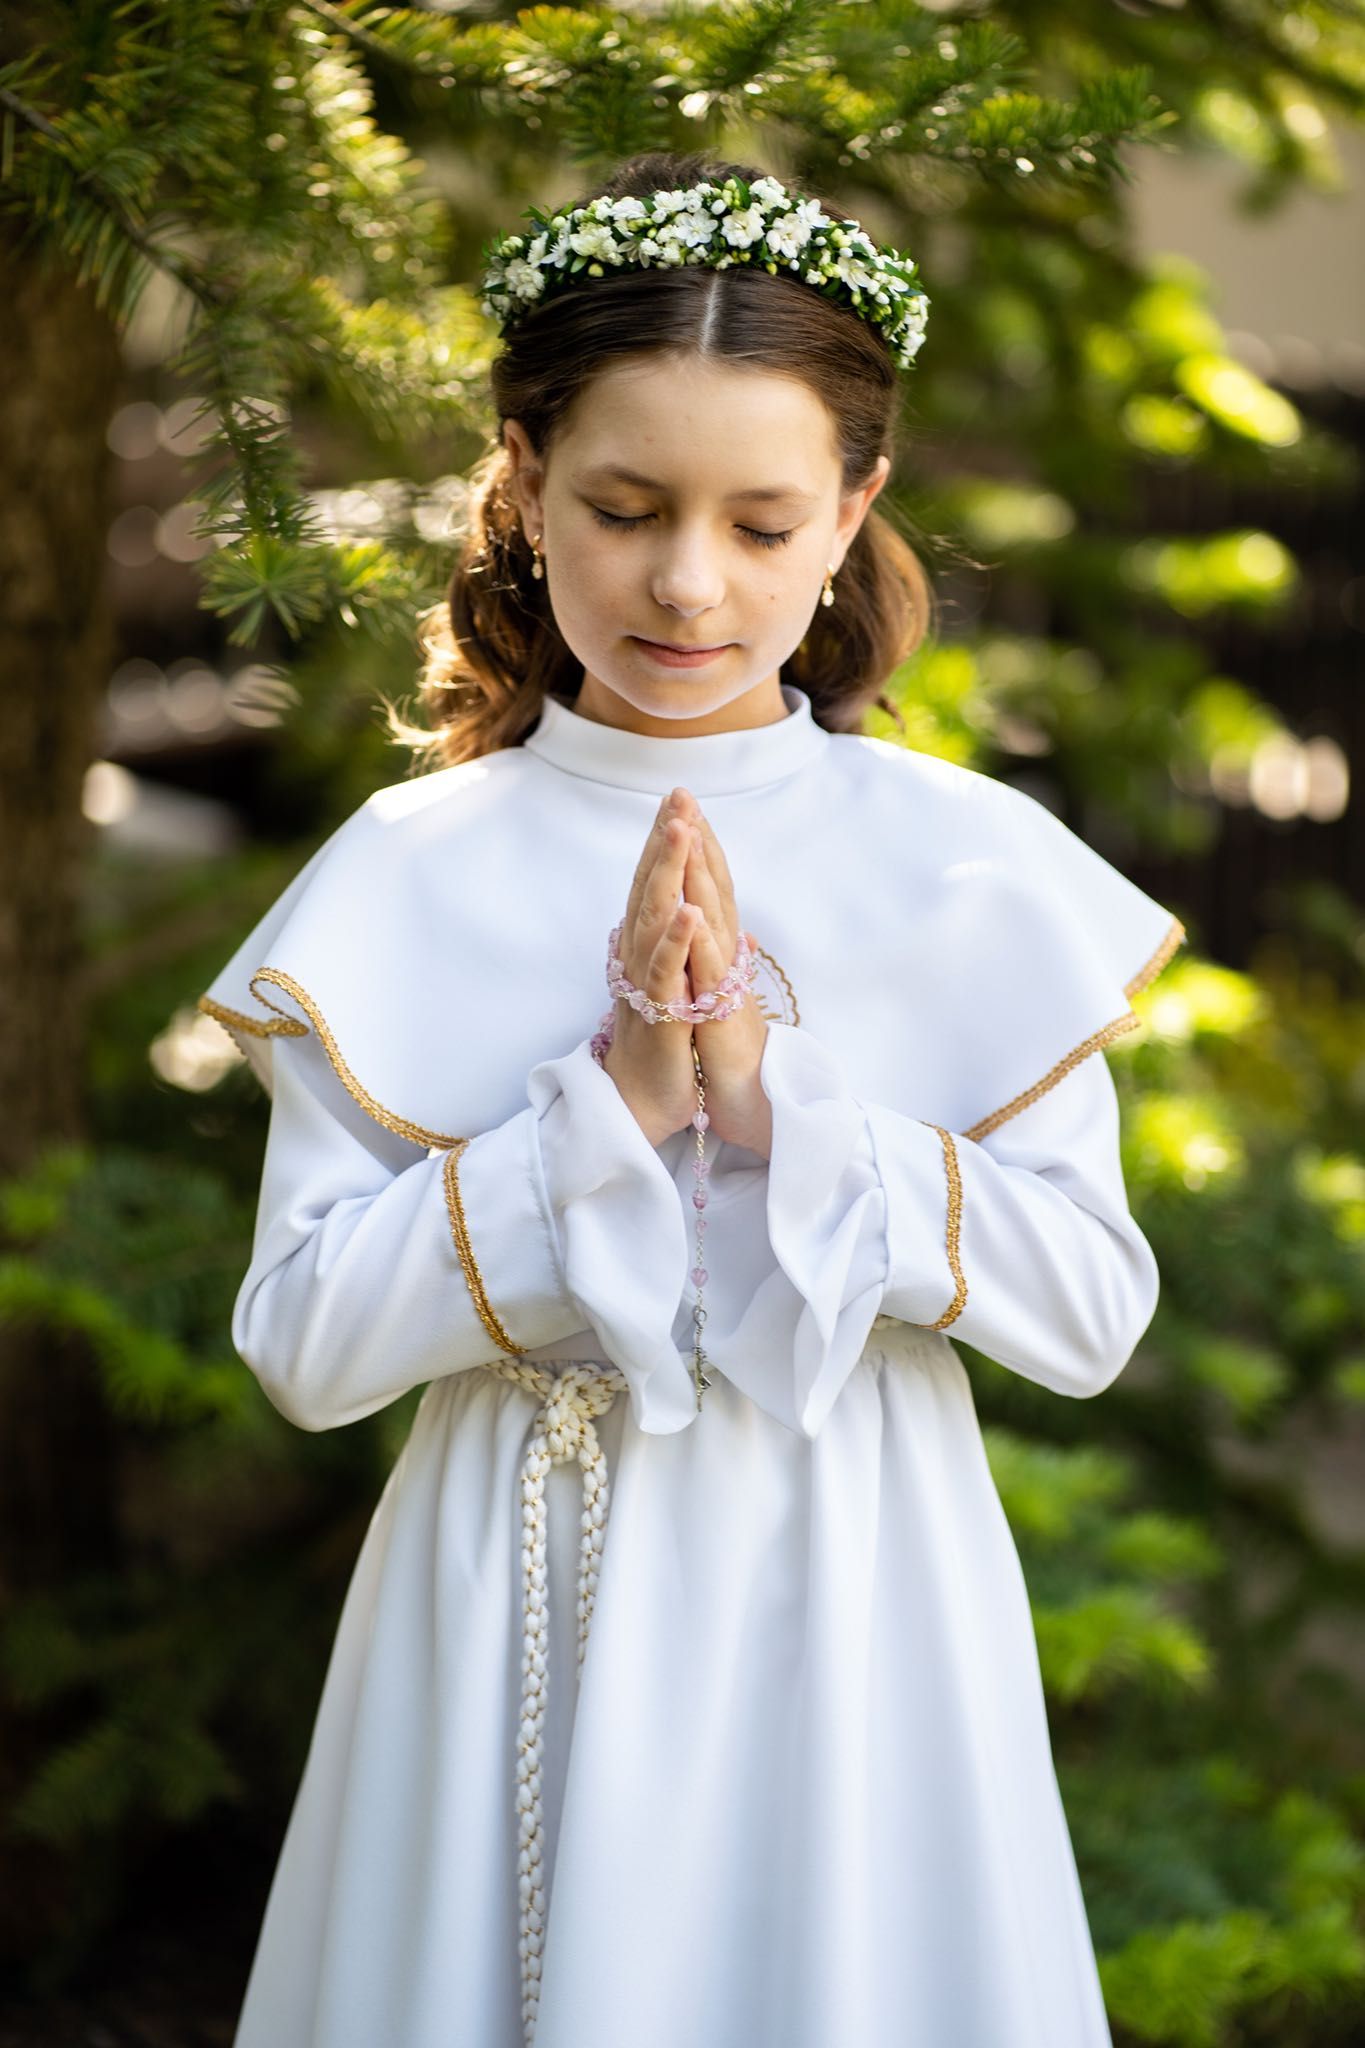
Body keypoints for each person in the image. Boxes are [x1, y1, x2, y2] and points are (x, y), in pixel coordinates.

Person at [197, 148, 1186, 2048]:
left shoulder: (969, 865)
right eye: (625, 507)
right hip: (506, 1578)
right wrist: (610, 1103)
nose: (684, 581)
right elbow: (309, 1348)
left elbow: (1088, 1314)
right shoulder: (409, 866)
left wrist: (770, 1098)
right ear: (524, 485)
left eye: (758, 520)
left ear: (852, 515)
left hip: (862, 1573)